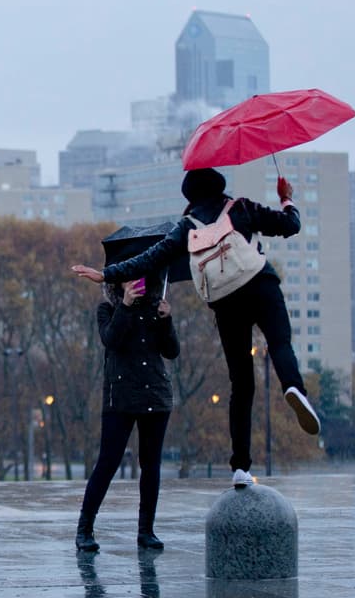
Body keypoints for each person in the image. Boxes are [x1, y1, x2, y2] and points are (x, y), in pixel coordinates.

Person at [71, 168, 320, 488]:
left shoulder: (186, 227)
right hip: (260, 285)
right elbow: (290, 226)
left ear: (190, 195)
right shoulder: (240, 207)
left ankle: (240, 467)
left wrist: (106, 274)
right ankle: (293, 387)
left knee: (241, 383)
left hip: (226, 301)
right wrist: (286, 200)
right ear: (219, 185)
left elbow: (148, 260)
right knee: (280, 343)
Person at [75, 275, 179, 552]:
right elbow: (111, 340)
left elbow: (171, 351)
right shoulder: (108, 309)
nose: (135, 281)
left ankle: (146, 531)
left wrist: (166, 320)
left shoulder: (156, 307)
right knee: (108, 462)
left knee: (151, 465)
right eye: (129, 277)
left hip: (155, 395)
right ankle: (84, 528)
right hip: (120, 397)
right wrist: (126, 305)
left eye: (140, 276)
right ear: (118, 282)